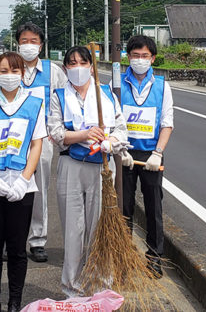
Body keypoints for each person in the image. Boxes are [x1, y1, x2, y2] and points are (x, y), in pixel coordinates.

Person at [48, 46, 129, 297]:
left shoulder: (105, 94)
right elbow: (56, 133)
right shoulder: (58, 96)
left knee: (99, 227)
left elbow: (122, 130)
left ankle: (101, 284)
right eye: (72, 63)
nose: (78, 68)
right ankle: (72, 287)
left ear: (91, 67)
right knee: (73, 230)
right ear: (65, 68)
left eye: (83, 63)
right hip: (71, 165)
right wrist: (83, 135)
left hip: (102, 169)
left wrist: (111, 142)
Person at [0, 51, 46, 312]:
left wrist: (25, 180)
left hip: (22, 187)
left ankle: (15, 302)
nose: (10, 76)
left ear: (22, 75)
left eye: (15, 71)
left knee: (17, 249)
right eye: (3, 71)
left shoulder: (35, 105)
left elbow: (36, 145)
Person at [120, 35, 174, 278]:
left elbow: (167, 123)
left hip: (152, 154)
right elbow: (113, 121)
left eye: (145, 56)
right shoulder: (119, 84)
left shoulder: (162, 86)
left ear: (153, 58)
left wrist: (158, 153)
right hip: (125, 154)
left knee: (154, 207)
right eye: (135, 55)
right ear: (128, 57)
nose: (140, 60)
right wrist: (120, 149)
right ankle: (123, 255)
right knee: (124, 207)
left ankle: (154, 257)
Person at [16, 22, 67, 263]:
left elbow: (61, 102)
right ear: (18, 44)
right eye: (24, 41)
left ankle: (37, 240)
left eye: (33, 41)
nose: (29, 46)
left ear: (41, 45)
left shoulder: (53, 71)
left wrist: (54, 132)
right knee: (10, 188)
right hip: (12, 140)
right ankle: (13, 239)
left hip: (42, 141)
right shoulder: (9, 68)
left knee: (39, 191)